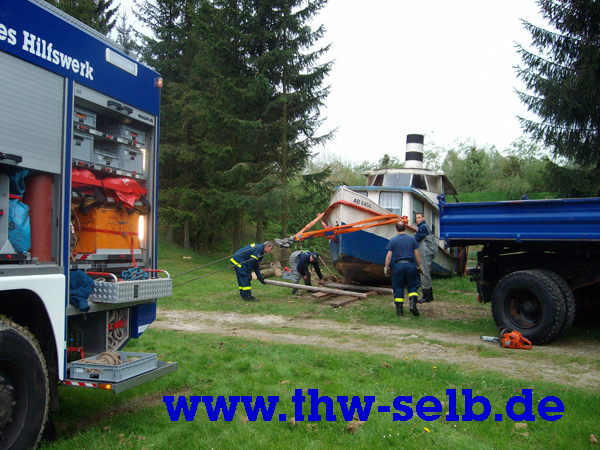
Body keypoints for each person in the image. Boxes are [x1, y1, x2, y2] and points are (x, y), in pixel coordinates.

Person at [384, 221, 423, 316]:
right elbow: (417, 254)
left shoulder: (393, 240)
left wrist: (386, 267)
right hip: (410, 265)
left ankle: (399, 311)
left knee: (398, 287)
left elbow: (389, 256)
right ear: (405, 228)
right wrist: (419, 266)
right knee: (413, 286)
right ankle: (413, 305)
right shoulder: (412, 239)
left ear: (396, 229)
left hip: (398, 266)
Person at [414, 212, 437, 303]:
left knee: (424, 273)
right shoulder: (425, 227)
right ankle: (430, 296)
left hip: (425, 253)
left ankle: (426, 297)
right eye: (416, 218)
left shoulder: (423, 227)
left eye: (419, 217)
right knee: (427, 273)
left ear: (423, 218)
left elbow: (416, 239)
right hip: (429, 253)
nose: (417, 219)